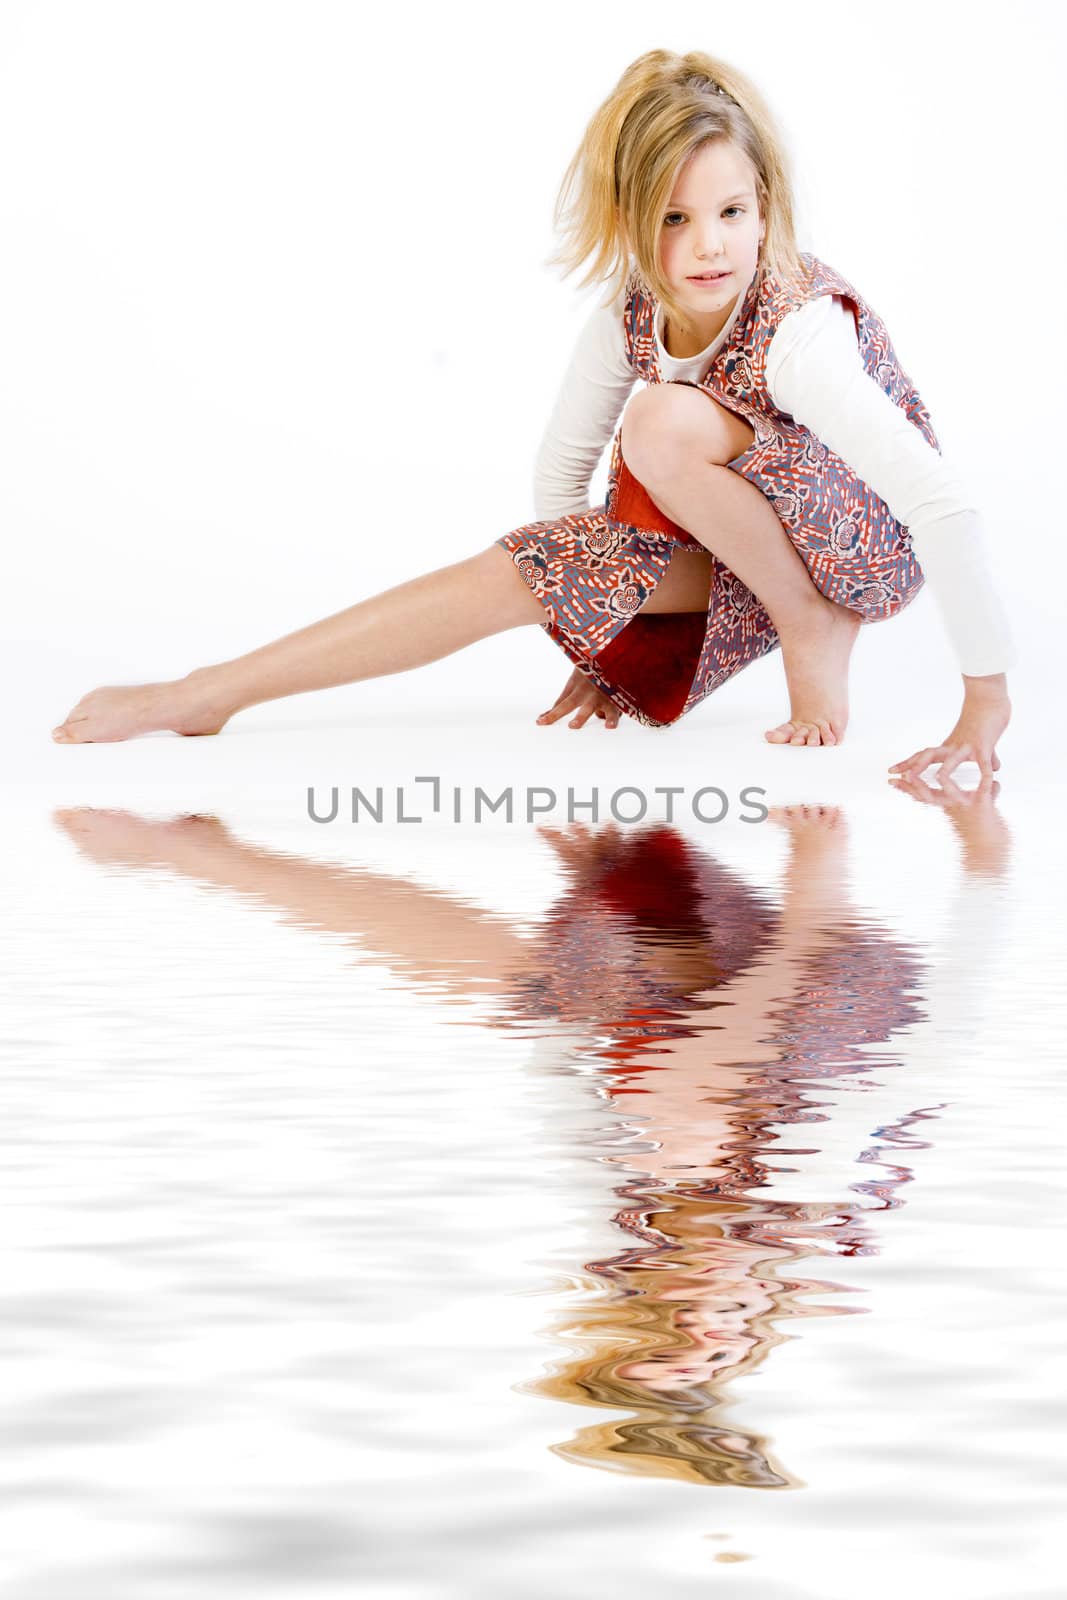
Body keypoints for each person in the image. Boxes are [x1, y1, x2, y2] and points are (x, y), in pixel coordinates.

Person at [50, 48, 1016, 782]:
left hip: (857, 546)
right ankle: (207, 694)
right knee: (523, 562)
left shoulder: (799, 331)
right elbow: (560, 499)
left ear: (764, 206)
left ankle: (810, 624)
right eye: (673, 221)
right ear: (632, 226)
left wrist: (983, 696)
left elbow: (937, 503)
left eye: (730, 212)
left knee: (662, 424)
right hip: (740, 543)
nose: (709, 246)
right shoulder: (625, 320)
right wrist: (592, 621)